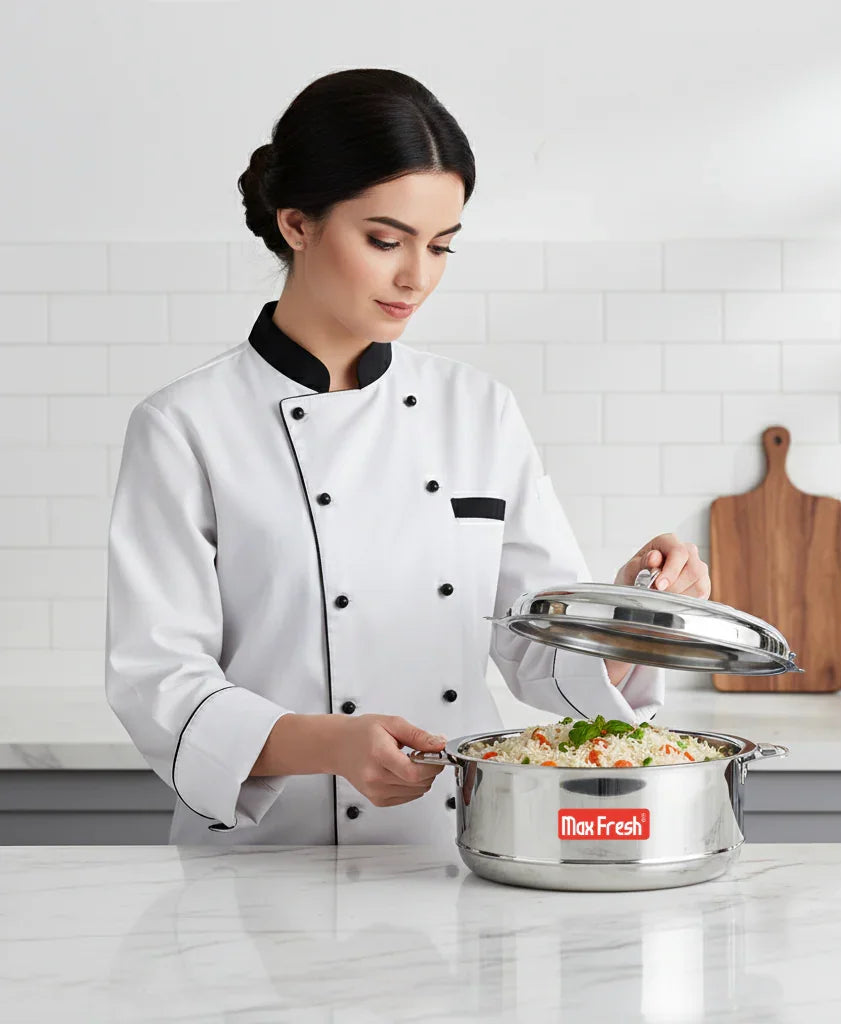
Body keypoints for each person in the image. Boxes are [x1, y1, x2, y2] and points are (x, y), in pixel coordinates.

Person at [104, 68, 711, 847]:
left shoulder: (478, 412)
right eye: (385, 241)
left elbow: (542, 653)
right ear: (297, 223)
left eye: (441, 246)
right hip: (259, 869)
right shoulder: (185, 425)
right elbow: (159, 684)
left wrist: (634, 615)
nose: (416, 277)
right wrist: (331, 744)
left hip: (458, 849)